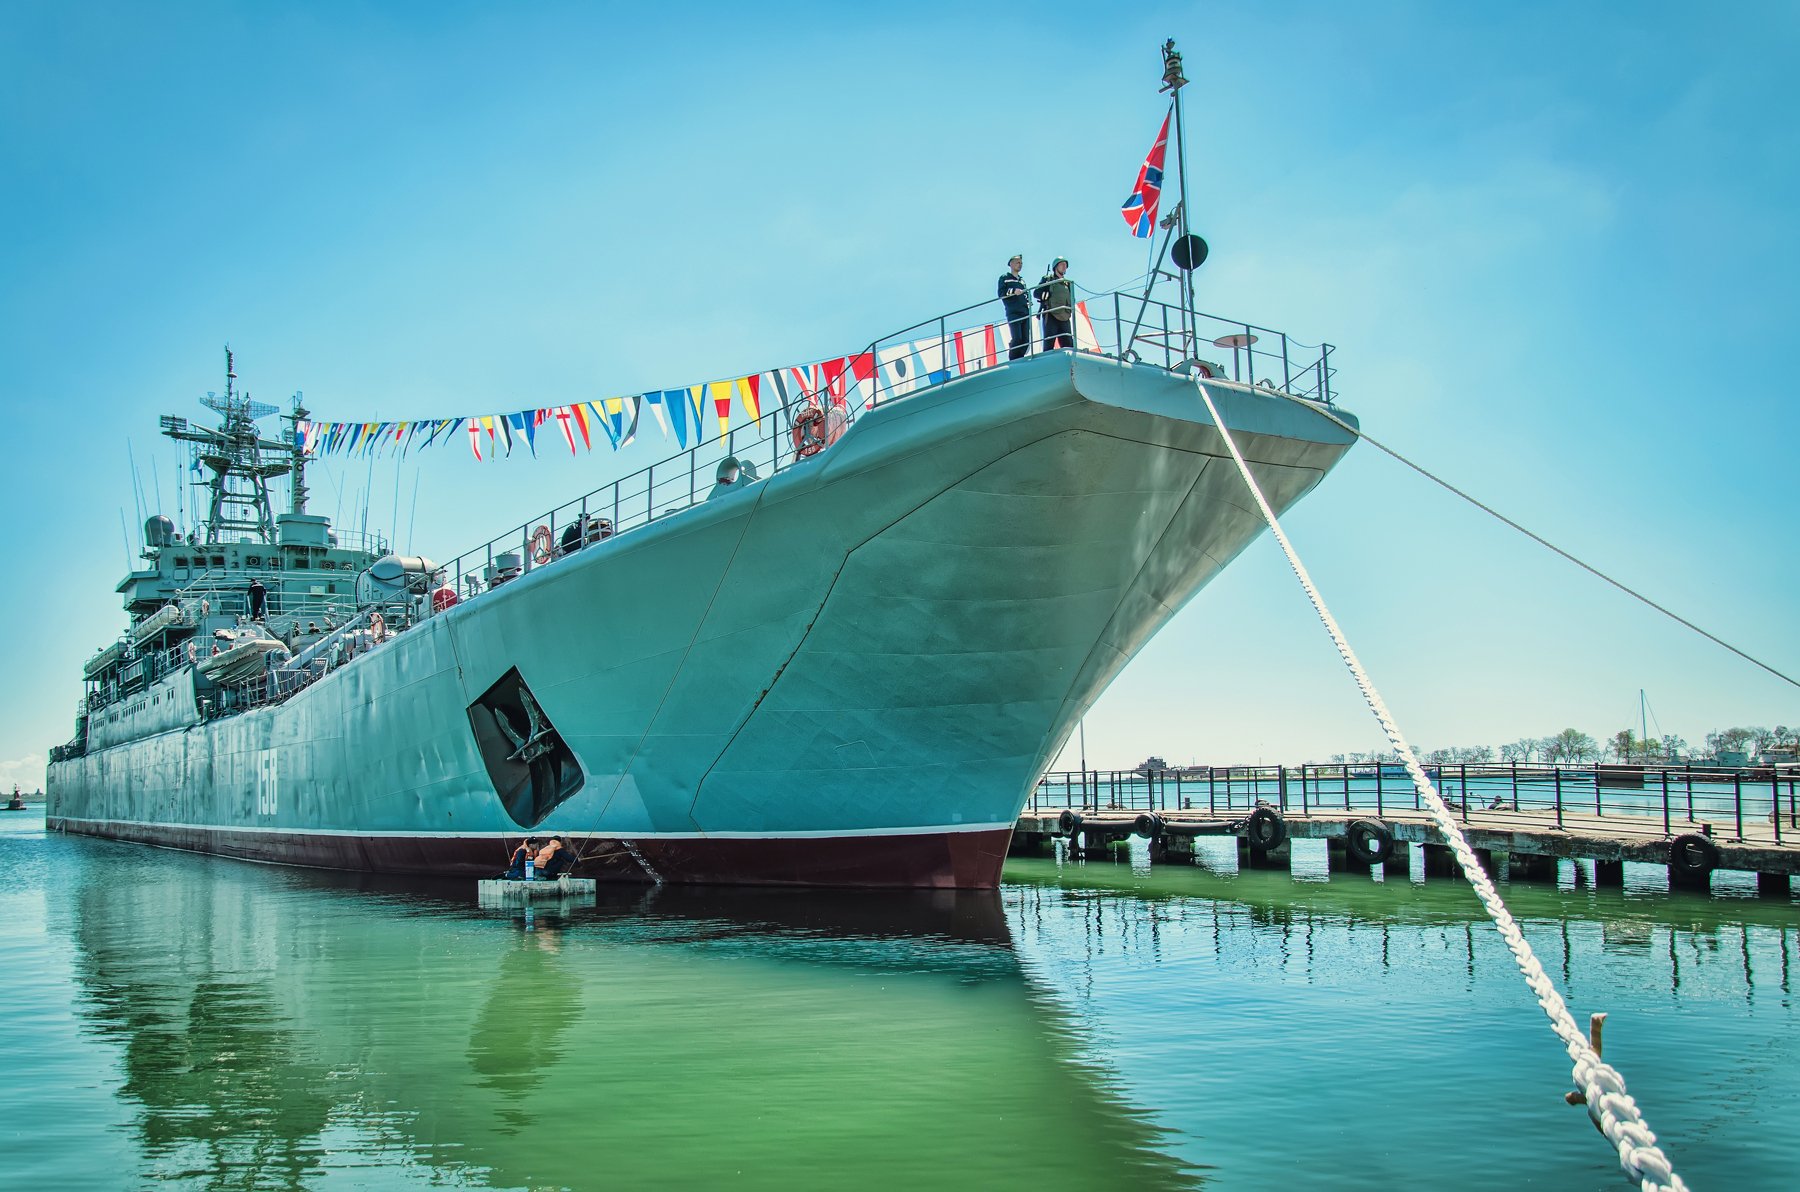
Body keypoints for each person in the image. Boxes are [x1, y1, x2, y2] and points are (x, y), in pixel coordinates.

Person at [1036, 257, 1074, 350]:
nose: (1064, 267)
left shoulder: (1068, 283)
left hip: (1065, 316)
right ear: (1056, 266)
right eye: (1062, 264)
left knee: (1068, 344)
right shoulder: (1048, 279)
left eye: (1065, 265)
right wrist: (1044, 294)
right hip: (1050, 314)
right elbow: (1036, 293)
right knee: (1049, 343)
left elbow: (1072, 299)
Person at [998, 254, 1032, 360]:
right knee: (1017, 338)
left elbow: (1025, 294)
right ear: (1011, 264)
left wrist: (1028, 302)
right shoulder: (1004, 278)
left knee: (1026, 340)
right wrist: (1013, 291)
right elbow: (1001, 293)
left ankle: (1020, 358)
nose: (1020, 265)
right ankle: (1013, 359)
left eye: (1021, 263)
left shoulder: (1022, 280)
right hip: (1013, 312)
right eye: (1017, 262)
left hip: (1025, 312)